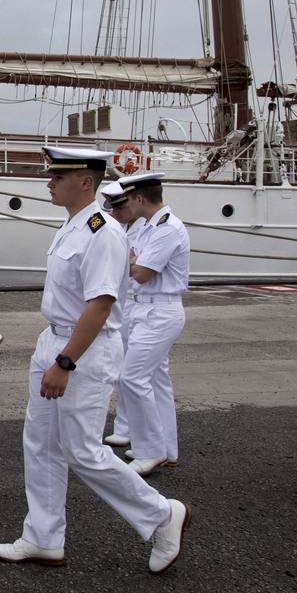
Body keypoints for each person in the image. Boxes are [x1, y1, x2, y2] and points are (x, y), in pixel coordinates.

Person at [0, 145, 189, 574]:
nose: (49, 182)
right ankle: (42, 537)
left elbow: (99, 304)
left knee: (82, 450)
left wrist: (65, 363)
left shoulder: (103, 232)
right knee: (40, 444)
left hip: (83, 351)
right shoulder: (73, 226)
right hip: (55, 340)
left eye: (57, 177)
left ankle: (161, 514)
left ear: (85, 181)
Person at [117, 172, 190, 476]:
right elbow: (135, 263)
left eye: (129, 200)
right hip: (145, 310)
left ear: (140, 198)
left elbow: (141, 272)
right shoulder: (151, 227)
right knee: (157, 382)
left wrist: (133, 262)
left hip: (159, 312)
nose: (126, 207)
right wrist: (133, 261)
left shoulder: (167, 229)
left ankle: (150, 451)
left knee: (131, 378)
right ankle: (166, 448)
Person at [99, 179, 139, 449]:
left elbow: (141, 267)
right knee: (126, 372)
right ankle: (125, 426)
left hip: (143, 303)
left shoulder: (149, 228)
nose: (115, 212)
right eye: (112, 207)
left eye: (120, 206)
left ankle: (135, 428)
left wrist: (131, 263)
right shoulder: (118, 228)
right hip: (126, 303)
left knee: (135, 374)